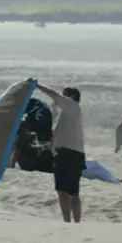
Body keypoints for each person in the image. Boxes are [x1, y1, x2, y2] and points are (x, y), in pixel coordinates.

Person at [37, 83, 84, 223]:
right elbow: (59, 135)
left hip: (66, 154)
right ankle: (76, 222)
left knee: (63, 191)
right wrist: (49, 146)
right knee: (73, 192)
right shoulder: (70, 114)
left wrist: (36, 85)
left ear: (72, 96)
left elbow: (54, 95)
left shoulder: (72, 105)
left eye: (65, 94)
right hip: (76, 154)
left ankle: (67, 222)